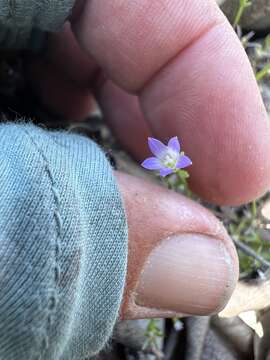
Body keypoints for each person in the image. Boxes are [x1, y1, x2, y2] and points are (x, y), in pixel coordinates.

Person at [0, 0, 270, 359]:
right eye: (168, 157)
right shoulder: (171, 156)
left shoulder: (174, 160)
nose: (169, 158)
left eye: (171, 158)